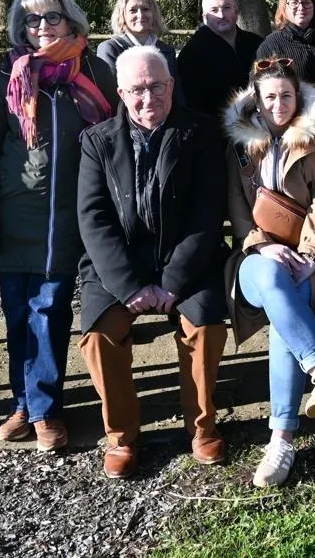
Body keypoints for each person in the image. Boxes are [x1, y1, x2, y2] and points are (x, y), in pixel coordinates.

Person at [0, 0, 117, 452]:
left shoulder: (94, 71)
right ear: (21, 28)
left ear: (70, 20)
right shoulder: (7, 76)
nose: (43, 27)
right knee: (16, 312)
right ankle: (22, 403)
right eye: (32, 20)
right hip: (17, 211)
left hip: (70, 213)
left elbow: (114, 135)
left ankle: (45, 409)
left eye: (52, 17)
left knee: (49, 308)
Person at [77, 46, 229, 478]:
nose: (149, 98)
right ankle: (122, 436)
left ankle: (202, 427)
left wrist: (173, 282)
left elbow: (207, 214)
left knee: (204, 326)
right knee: (99, 334)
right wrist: (129, 286)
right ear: (121, 93)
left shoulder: (201, 132)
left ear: (171, 85)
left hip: (186, 260)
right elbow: (92, 217)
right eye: (138, 90)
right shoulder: (96, 141)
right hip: (120, 265)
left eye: (157, 87)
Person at [223, 57, 315, 487]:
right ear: (256, 100)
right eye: (270, 97)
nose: (278, 104)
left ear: (298, 97)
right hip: (256, 256)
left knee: (286, 311)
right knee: (273, 279)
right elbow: (237, 208)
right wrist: (263, 245)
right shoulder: (240, 142)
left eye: (286, 96)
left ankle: (281, 440)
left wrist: (310, 254)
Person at [256, 0, 315, 138]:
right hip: (294, 132)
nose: (301, 7)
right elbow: (262, 91)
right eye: (294, 2)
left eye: (306, 2)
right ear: (284, 7)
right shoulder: (271, 45)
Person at [177, 0, 264, 117]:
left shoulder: (256, 43)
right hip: (215, 124)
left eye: (226, 8)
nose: (221, 15)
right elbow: (193, 103)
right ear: (205, 17)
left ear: (236, 11)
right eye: (214, 10)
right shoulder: (192, 53)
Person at [96, 0, 180, 79]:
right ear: (122, 15)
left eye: (145, 9)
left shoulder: (167, 51)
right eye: (133, 10)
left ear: (154, 13)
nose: (140, 15)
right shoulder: (110, 49)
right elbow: (108, 87)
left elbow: (174, 87)